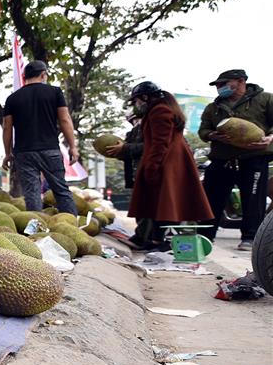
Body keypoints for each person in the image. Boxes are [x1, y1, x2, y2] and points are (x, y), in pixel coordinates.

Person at [126, 81, 213, 250]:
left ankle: (159, 241)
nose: (137, 105)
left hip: (167, 161)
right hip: (170, 159)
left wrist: (152, 166)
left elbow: (160, 143)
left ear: (145, 97)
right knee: (159, 203)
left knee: (164, 204)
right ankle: (154, 239)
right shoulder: (161, 108)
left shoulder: (159, 111)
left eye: (137, 101)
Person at [197, 69, 273, 250]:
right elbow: (203, 131)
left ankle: (250, 238)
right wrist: (212, 135)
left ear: (241, 81)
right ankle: (205, 237)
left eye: (223, 84)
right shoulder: (213, 107)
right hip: (222, 159)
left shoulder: (265, 99)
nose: (219, 87)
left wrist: (270, 138)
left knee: (253, 201)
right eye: (217, 85)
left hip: (253, 158)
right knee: (211, 199)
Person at [1, 60, 79, 214]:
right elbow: (64, 120)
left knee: (32, 193)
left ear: (24, 77)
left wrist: (7, 153)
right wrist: (72, 146)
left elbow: (7, 128)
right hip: (50, 149)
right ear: (43, 75)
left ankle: (37, 227)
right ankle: (72, 223)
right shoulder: (55, 92)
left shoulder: (12, 98)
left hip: (24, 152)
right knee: (61, 190)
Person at [104, 112, 154, 249]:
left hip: (149, 172)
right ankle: (142, 237)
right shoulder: (132, 133)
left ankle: (147, 238)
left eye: (136, 119)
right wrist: (118, 151)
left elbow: (150, 146)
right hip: (135, 174)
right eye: (132, 121)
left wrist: (124, 148)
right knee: (140, 207)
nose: (135, 122)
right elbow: (128, 152)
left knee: (147, 208)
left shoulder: (152, 128)